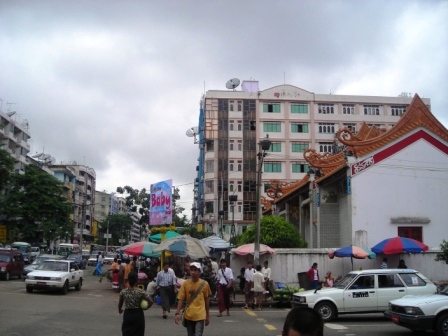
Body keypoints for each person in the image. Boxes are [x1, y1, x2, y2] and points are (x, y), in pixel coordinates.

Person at [174, 262, 211, 336]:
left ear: (199, 272)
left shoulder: (205, 284)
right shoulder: (185, 284)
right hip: (189, 315)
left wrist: (207, 315)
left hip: (200, 315)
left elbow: (206, 300)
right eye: (191, 270)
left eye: (195, 270)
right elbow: (180, 299)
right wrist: (177, 313)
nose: (193, 272)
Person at [118, 271, 153, 336]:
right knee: (138, 332)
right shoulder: (141, 291)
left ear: (128, 280)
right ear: (137, 280)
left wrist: (120, 309)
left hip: (128, 314)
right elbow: (151, 302)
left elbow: (120, 303)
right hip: (138, 314)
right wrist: (146, 308)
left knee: (127, 332)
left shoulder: (123, 292)